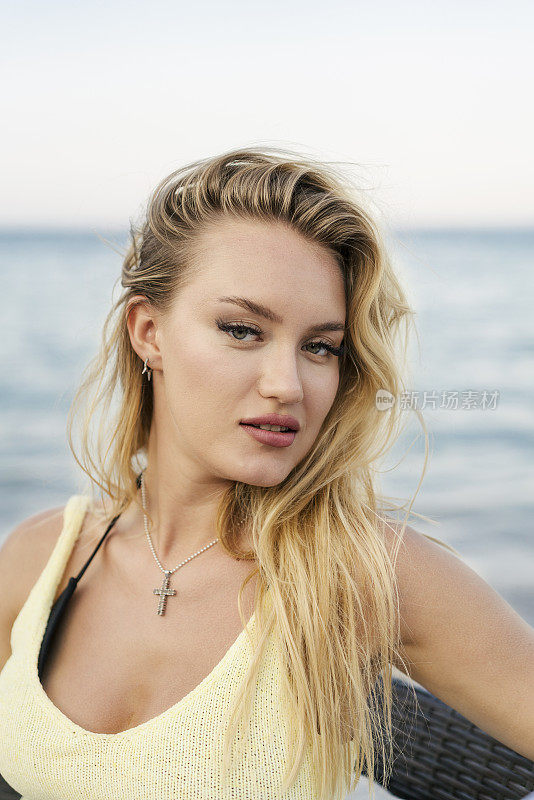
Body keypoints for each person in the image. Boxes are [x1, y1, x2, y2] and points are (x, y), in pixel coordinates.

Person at [0, 146, 532, 800]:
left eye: (320, 347)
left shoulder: (361, 572)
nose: (288, 386)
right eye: (243, 330)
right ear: (149, 332)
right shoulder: (40, 559)